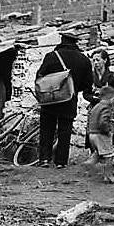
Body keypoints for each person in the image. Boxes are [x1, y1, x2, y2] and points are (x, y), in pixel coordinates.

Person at [35, 32, 93, 169]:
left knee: (46, 129)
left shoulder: (51, 56)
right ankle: (61, 162)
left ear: (62, 41)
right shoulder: (83, 59)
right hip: (69, 100)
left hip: (51, 99)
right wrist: (72, 88)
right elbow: (88, 84)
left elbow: (40, 76)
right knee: (65, 131)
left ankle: (44, 159)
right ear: (75, 42)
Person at [83, 49, 114, 163]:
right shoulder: (90, 77)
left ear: (105, 60)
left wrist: (108, 98)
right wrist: (94, 98)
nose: (95, 63)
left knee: (108, 132)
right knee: (94, 132)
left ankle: (108, 159)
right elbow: (86, 94)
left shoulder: (112, 77)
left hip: (109, 109)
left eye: (98, 60)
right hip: (95, 109)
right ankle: (95, 155)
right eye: (94, 60)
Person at [87, 85, 114, 183]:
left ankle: (90, 163)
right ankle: (109, 176)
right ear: (109, 98)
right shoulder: (106, 107)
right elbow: (103, 122)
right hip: (101, 135)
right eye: (113, 99)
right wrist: (108, 130)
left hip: (92, 134)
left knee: (99, 153)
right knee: (108, 156)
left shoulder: (96, 106)